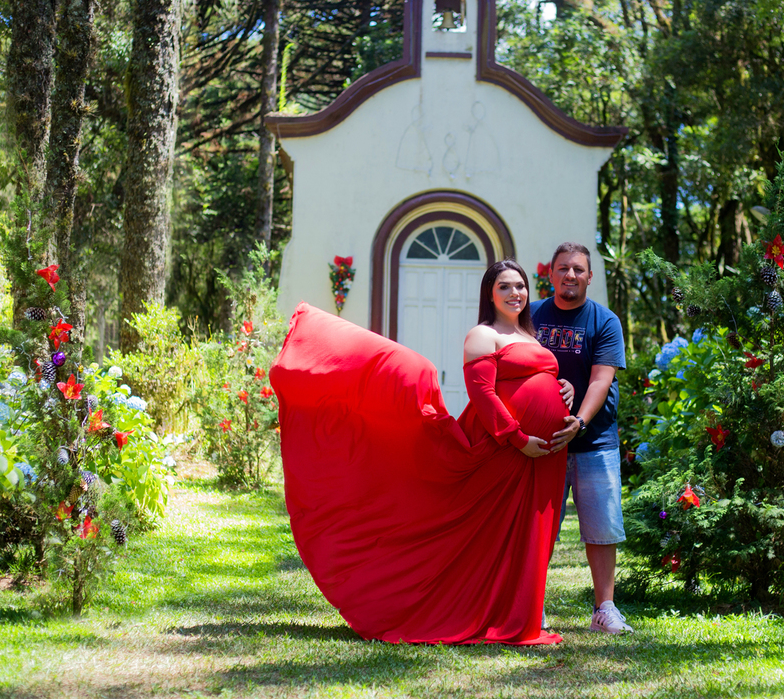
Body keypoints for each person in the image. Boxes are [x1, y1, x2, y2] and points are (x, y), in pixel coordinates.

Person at [269, 259, 576, 645]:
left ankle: (519, 615)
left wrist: (560, 385)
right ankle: (462, 612)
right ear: (490, 294)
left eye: (520, 286)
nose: (515, 293)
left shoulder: (531, 337)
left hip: (544, 454)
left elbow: (532, 378)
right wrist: (517, 438)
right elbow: (482, 395)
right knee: (485, 533)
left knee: (530, 534)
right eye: (504, 287)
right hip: (506, 450)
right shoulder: (482, 335)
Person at [531, 242, 632, 635]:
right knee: (538, 529)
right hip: (542, 444)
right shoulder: (532, 315)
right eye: (563, 269)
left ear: (590, 277)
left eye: (578, 269)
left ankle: (604, 609)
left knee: (602, 526)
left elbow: (601, 379)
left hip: (595, 440)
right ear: (550, 274)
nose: (570, 275)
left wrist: (580, 420)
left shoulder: (604, 321)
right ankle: (530, 607)